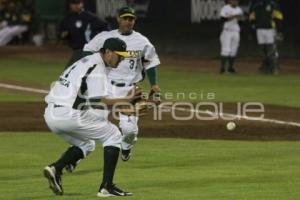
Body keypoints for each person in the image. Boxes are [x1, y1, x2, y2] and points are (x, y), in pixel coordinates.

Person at [43, 37, 140, 197]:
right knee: (113, 135)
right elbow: (97, 102)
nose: (121, 59)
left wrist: (122, 101)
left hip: (51, 115)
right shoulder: (98, 67)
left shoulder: (86, 60)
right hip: (68, 114)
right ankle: (106, 186)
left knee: (87, 145)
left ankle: (56, 169)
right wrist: (126, 101)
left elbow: (94, 99)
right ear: (108, 52)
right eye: (119, 55)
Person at [78, 6, 160, 164]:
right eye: (125, 18)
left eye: (131, 19)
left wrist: (154, 85)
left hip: (131, 89)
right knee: (90, 121)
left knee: (129, 130)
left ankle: (127, 144)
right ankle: (76, 154)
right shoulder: (105, 37)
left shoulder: (142, 41)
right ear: (118, 19)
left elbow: (150, 64)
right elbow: (87, 51)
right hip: (106, 86)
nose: (128, 22)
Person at [59, 0, 109, 68]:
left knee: (71, 70)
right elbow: (61, 33)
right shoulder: (67, 19)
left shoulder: (90, 17)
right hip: (76, 51)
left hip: (88, 51)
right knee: (74, 70)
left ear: (82, 4)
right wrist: (63, 35)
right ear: (70, 5)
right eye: (74, 3)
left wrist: (100, 40)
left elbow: (105, 27)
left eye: (78, 3)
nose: (76, 6)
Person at [249, 0, 283, 74]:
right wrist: (253, 26)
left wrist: (279, 30)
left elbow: (278, 17)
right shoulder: (256, 5)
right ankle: (265, 65)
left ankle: (273, 66)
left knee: (271, 48)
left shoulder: (272, 4)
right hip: (259, 29)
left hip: (270, 29)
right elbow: (252, 18)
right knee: (262, 48)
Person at [219, 0, 243, 74]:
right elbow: (222, 19)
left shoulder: (239, 9)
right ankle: (222, 69)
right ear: (230, 1)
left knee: (233, 50)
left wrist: (240, 19)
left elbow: (241, 22)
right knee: (226, 50)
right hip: (227, 32)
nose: (235, 2)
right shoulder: (225, 8)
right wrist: (234, 16)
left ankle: (230, 68)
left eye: (236, 1)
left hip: (236, 31)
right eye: (233, 0)